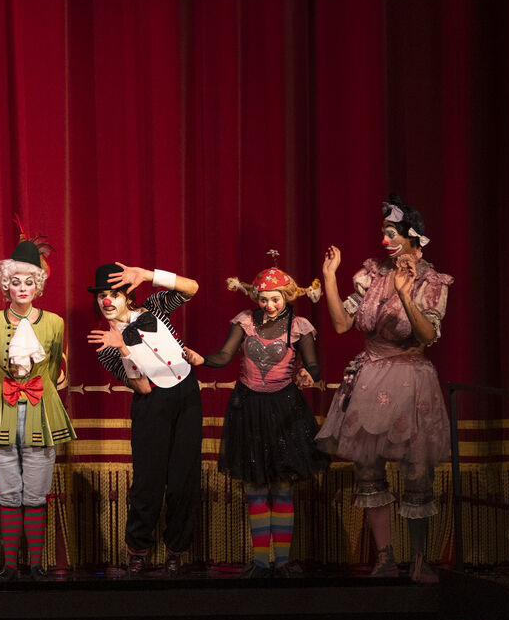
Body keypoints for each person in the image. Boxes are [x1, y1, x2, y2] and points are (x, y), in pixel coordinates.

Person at [315, 194, 454, 582]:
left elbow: (427, 334)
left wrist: (406, 294)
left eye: (391, 234)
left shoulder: (432, 282)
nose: (384, 242)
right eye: (383, 234)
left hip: (411, 381)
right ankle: (385, 556)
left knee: (416, 473)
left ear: (414, 238)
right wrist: (330, 278)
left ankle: (421, 560)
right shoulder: (371, 275)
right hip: (370, 378)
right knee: (369, 469)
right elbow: (343, 324)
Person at [181, 252, 327, 577]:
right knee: (256, 486)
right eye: (263, 299)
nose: (269, 305)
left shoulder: (298, 326)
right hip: (248, 409)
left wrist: (309, 376)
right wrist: (201, 359)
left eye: (275, 299)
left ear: (287, 297)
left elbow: (314, 365)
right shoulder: (245, 321)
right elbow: (223, 356)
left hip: (285, 411)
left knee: (284, 486)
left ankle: (284, 562)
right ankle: (262, 563)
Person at [90, 261, 202, 577]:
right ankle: (138, 551)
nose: (106, 301)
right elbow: (142, 385)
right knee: (148, 484)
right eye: (101, 296)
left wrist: (150, 275)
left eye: (113, 293)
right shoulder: (106, 345)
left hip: (188, 396)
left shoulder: (154, 307)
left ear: (128, 295)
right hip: (152, 404)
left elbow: (192, 287)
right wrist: (124, 349)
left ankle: (175, 551)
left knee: (183, 482)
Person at [0, 235, 73, 580]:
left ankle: (35, 562)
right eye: (15, 282)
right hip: (2, 408)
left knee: (35, 491)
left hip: (41, 412)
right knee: (8, 491)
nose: (22, 288)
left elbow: (53, 366)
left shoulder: (55, 323)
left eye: (29, 282)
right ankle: (10, 564)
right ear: (6, 285)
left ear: (38, 285)